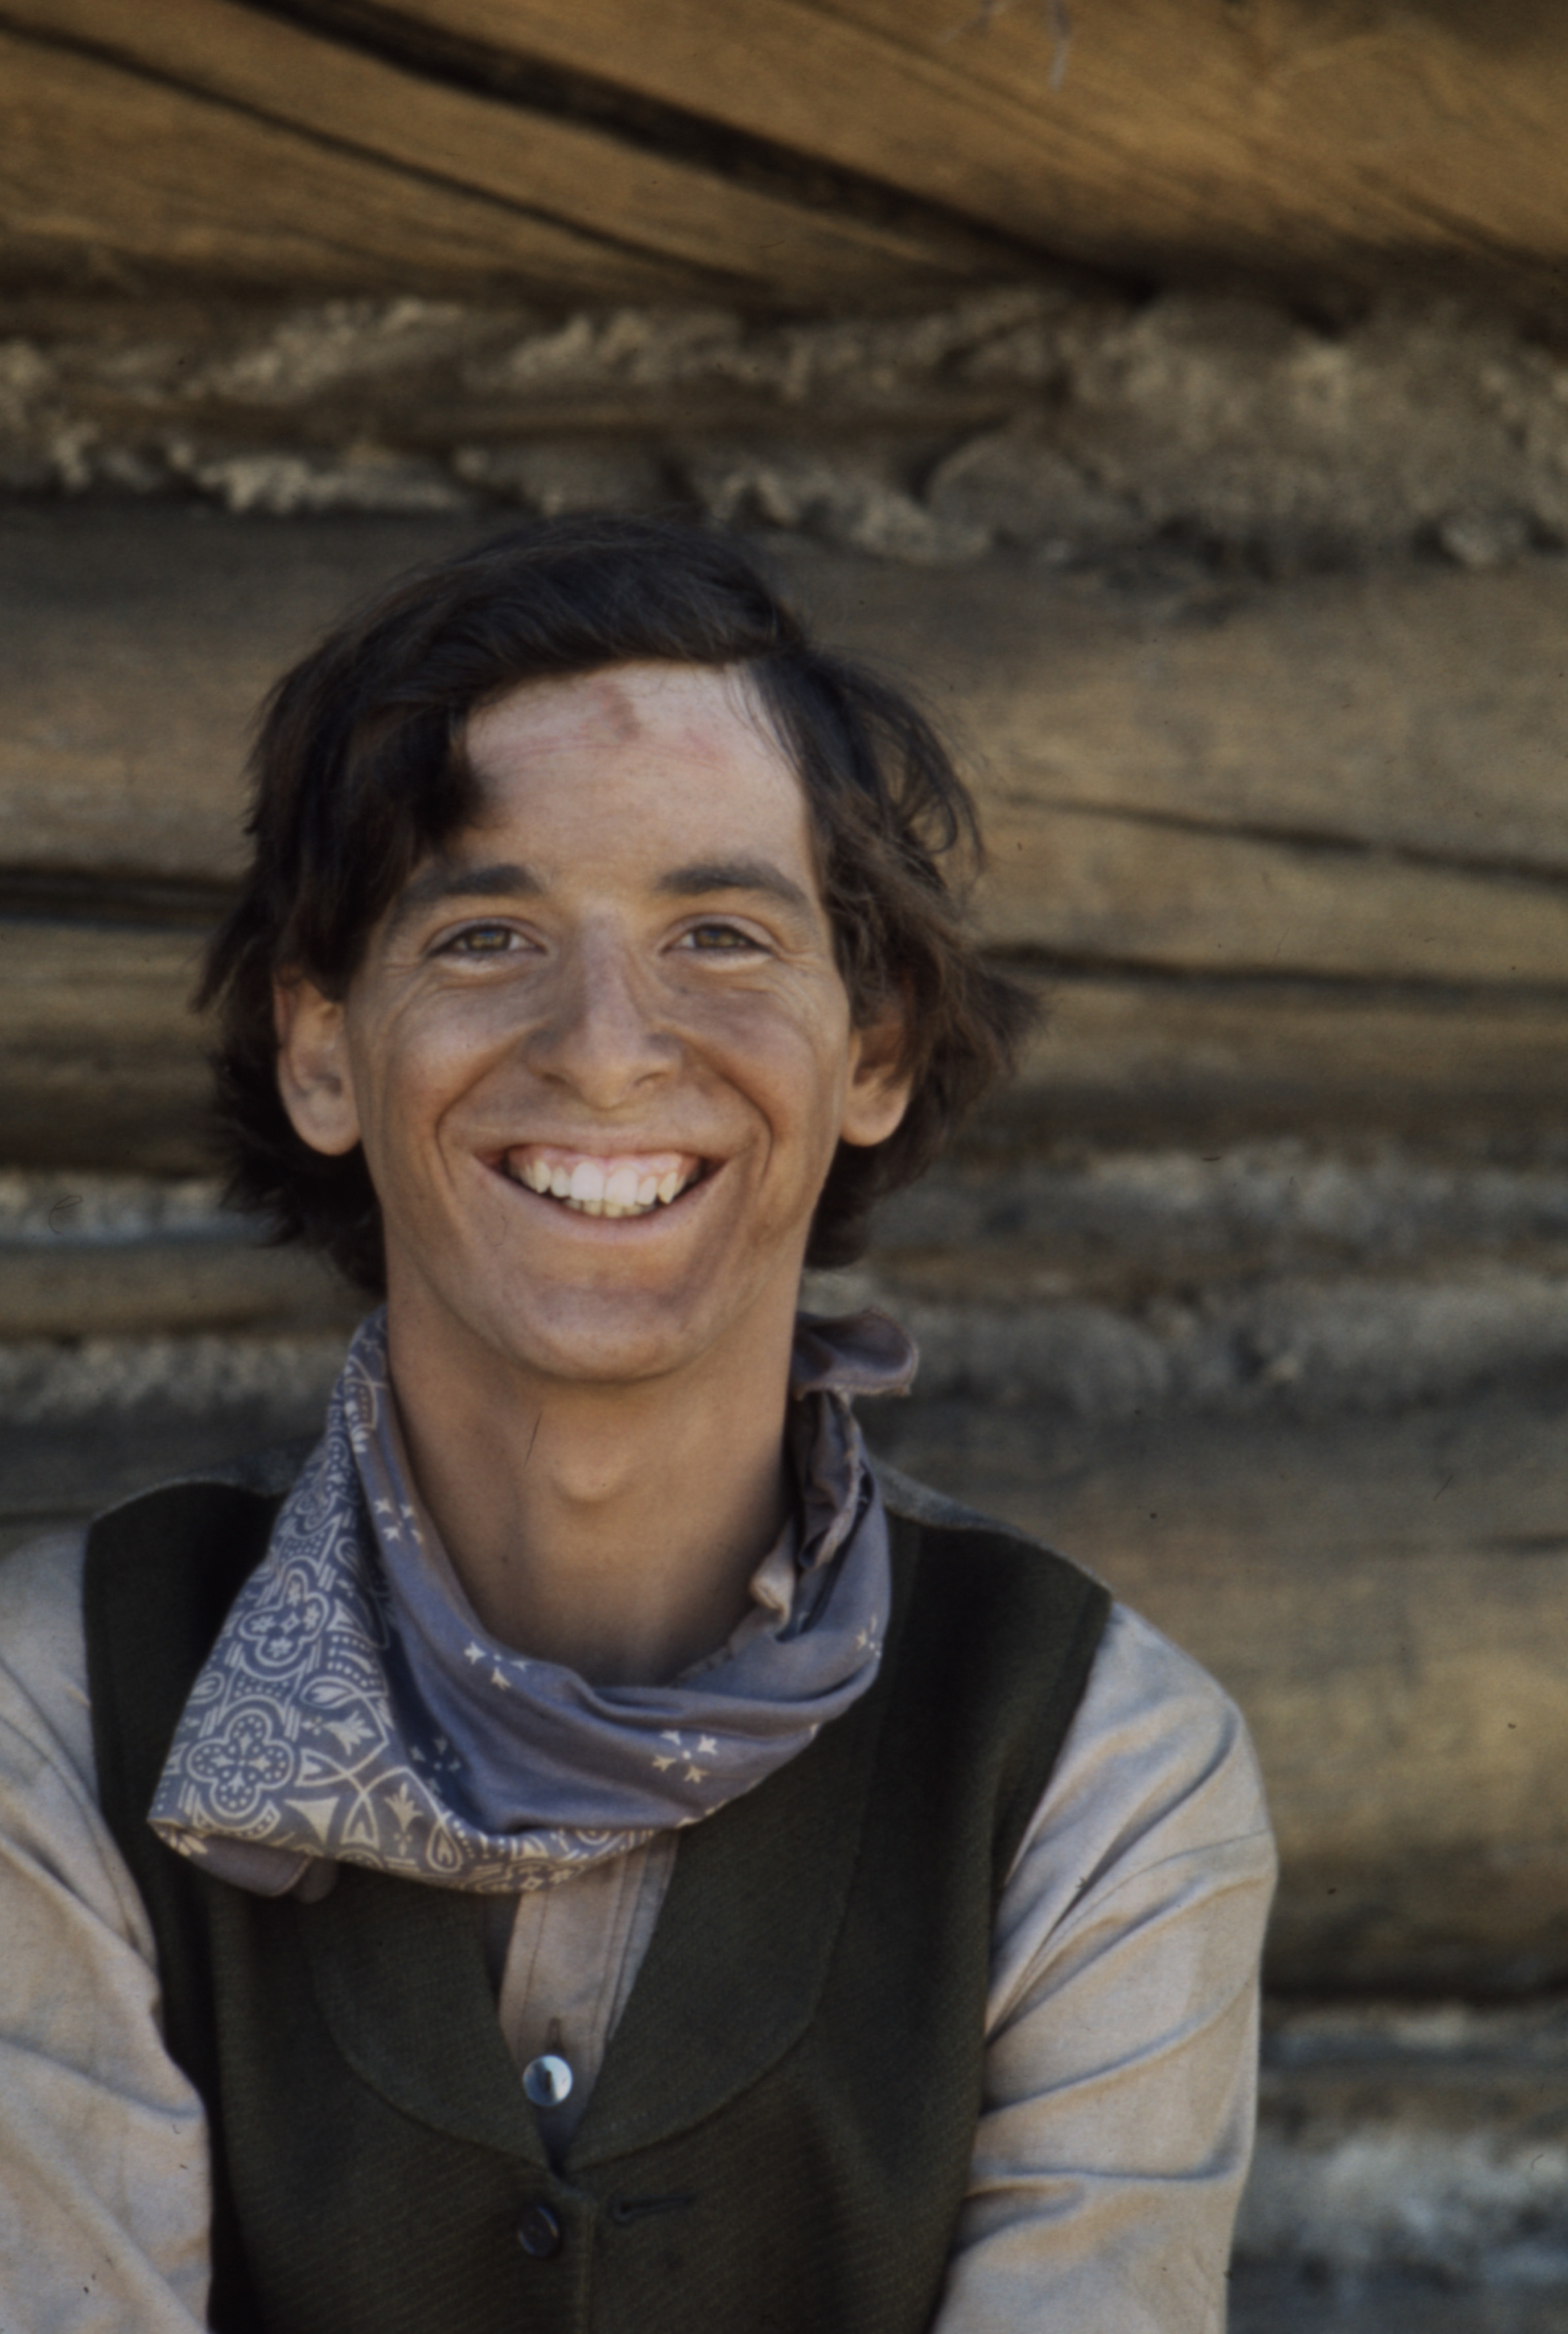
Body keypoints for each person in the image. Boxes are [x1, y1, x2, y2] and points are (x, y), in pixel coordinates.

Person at [0, 517, 1274, 2331]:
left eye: (721, 934)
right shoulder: (55, 1713)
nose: (607, 1045)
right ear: (320, 1046)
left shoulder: (1096, 1768)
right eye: (489, 930)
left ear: (876, 1048)